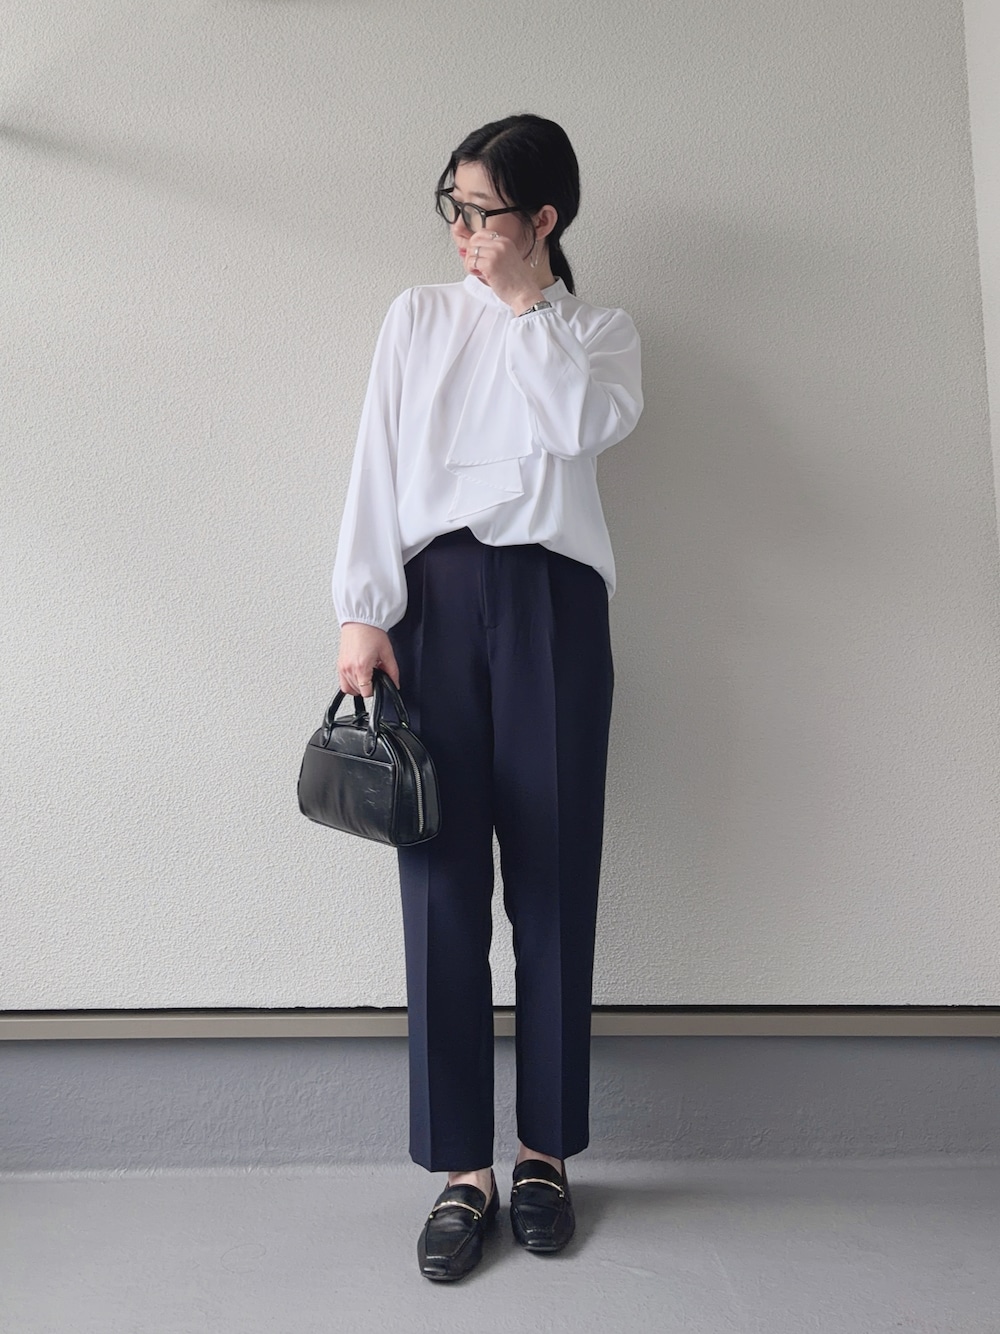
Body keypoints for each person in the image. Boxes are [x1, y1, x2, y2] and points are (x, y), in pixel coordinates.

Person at [332, 113, 643, 1281]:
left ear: (542, 219)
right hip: (432, 605)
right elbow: (376, 459)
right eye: (451, 207)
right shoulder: (415, 318)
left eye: (482, 212)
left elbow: (576, 423)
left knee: (554, 882)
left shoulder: (597, 334)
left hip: (555, 606)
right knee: (441, 887)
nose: (461, 231)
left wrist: (525, 304)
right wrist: (362, 608)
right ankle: (462, 1168)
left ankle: (542, 1154)